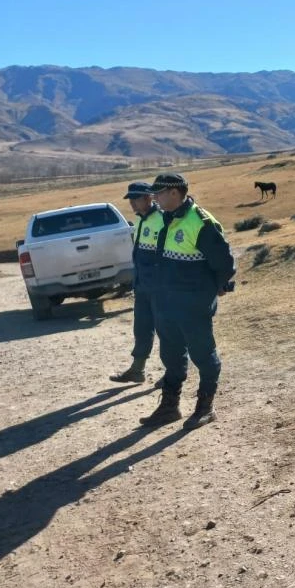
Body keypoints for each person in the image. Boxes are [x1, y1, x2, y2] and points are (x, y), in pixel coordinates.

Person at [138, 173, 235, 430]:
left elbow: (225, 264)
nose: (154, 199)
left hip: (193, 305)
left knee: (203, 354)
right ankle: (170, 407)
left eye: (158, 194)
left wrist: (214, 290)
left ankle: (205, 407)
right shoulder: (166, 218)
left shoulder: (200, 222)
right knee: (171, 355)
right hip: (166, 303)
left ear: (174, 192)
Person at [110, 181, 165, 385]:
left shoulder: (163, 218)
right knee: (142, 329)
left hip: (160, 287)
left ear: (148, 197)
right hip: (142, 286)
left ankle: (173, 372)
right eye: (130, 199)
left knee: (167, 331)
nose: (132, 203)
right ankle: (137, 369)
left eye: (136, 198)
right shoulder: (140, 220)